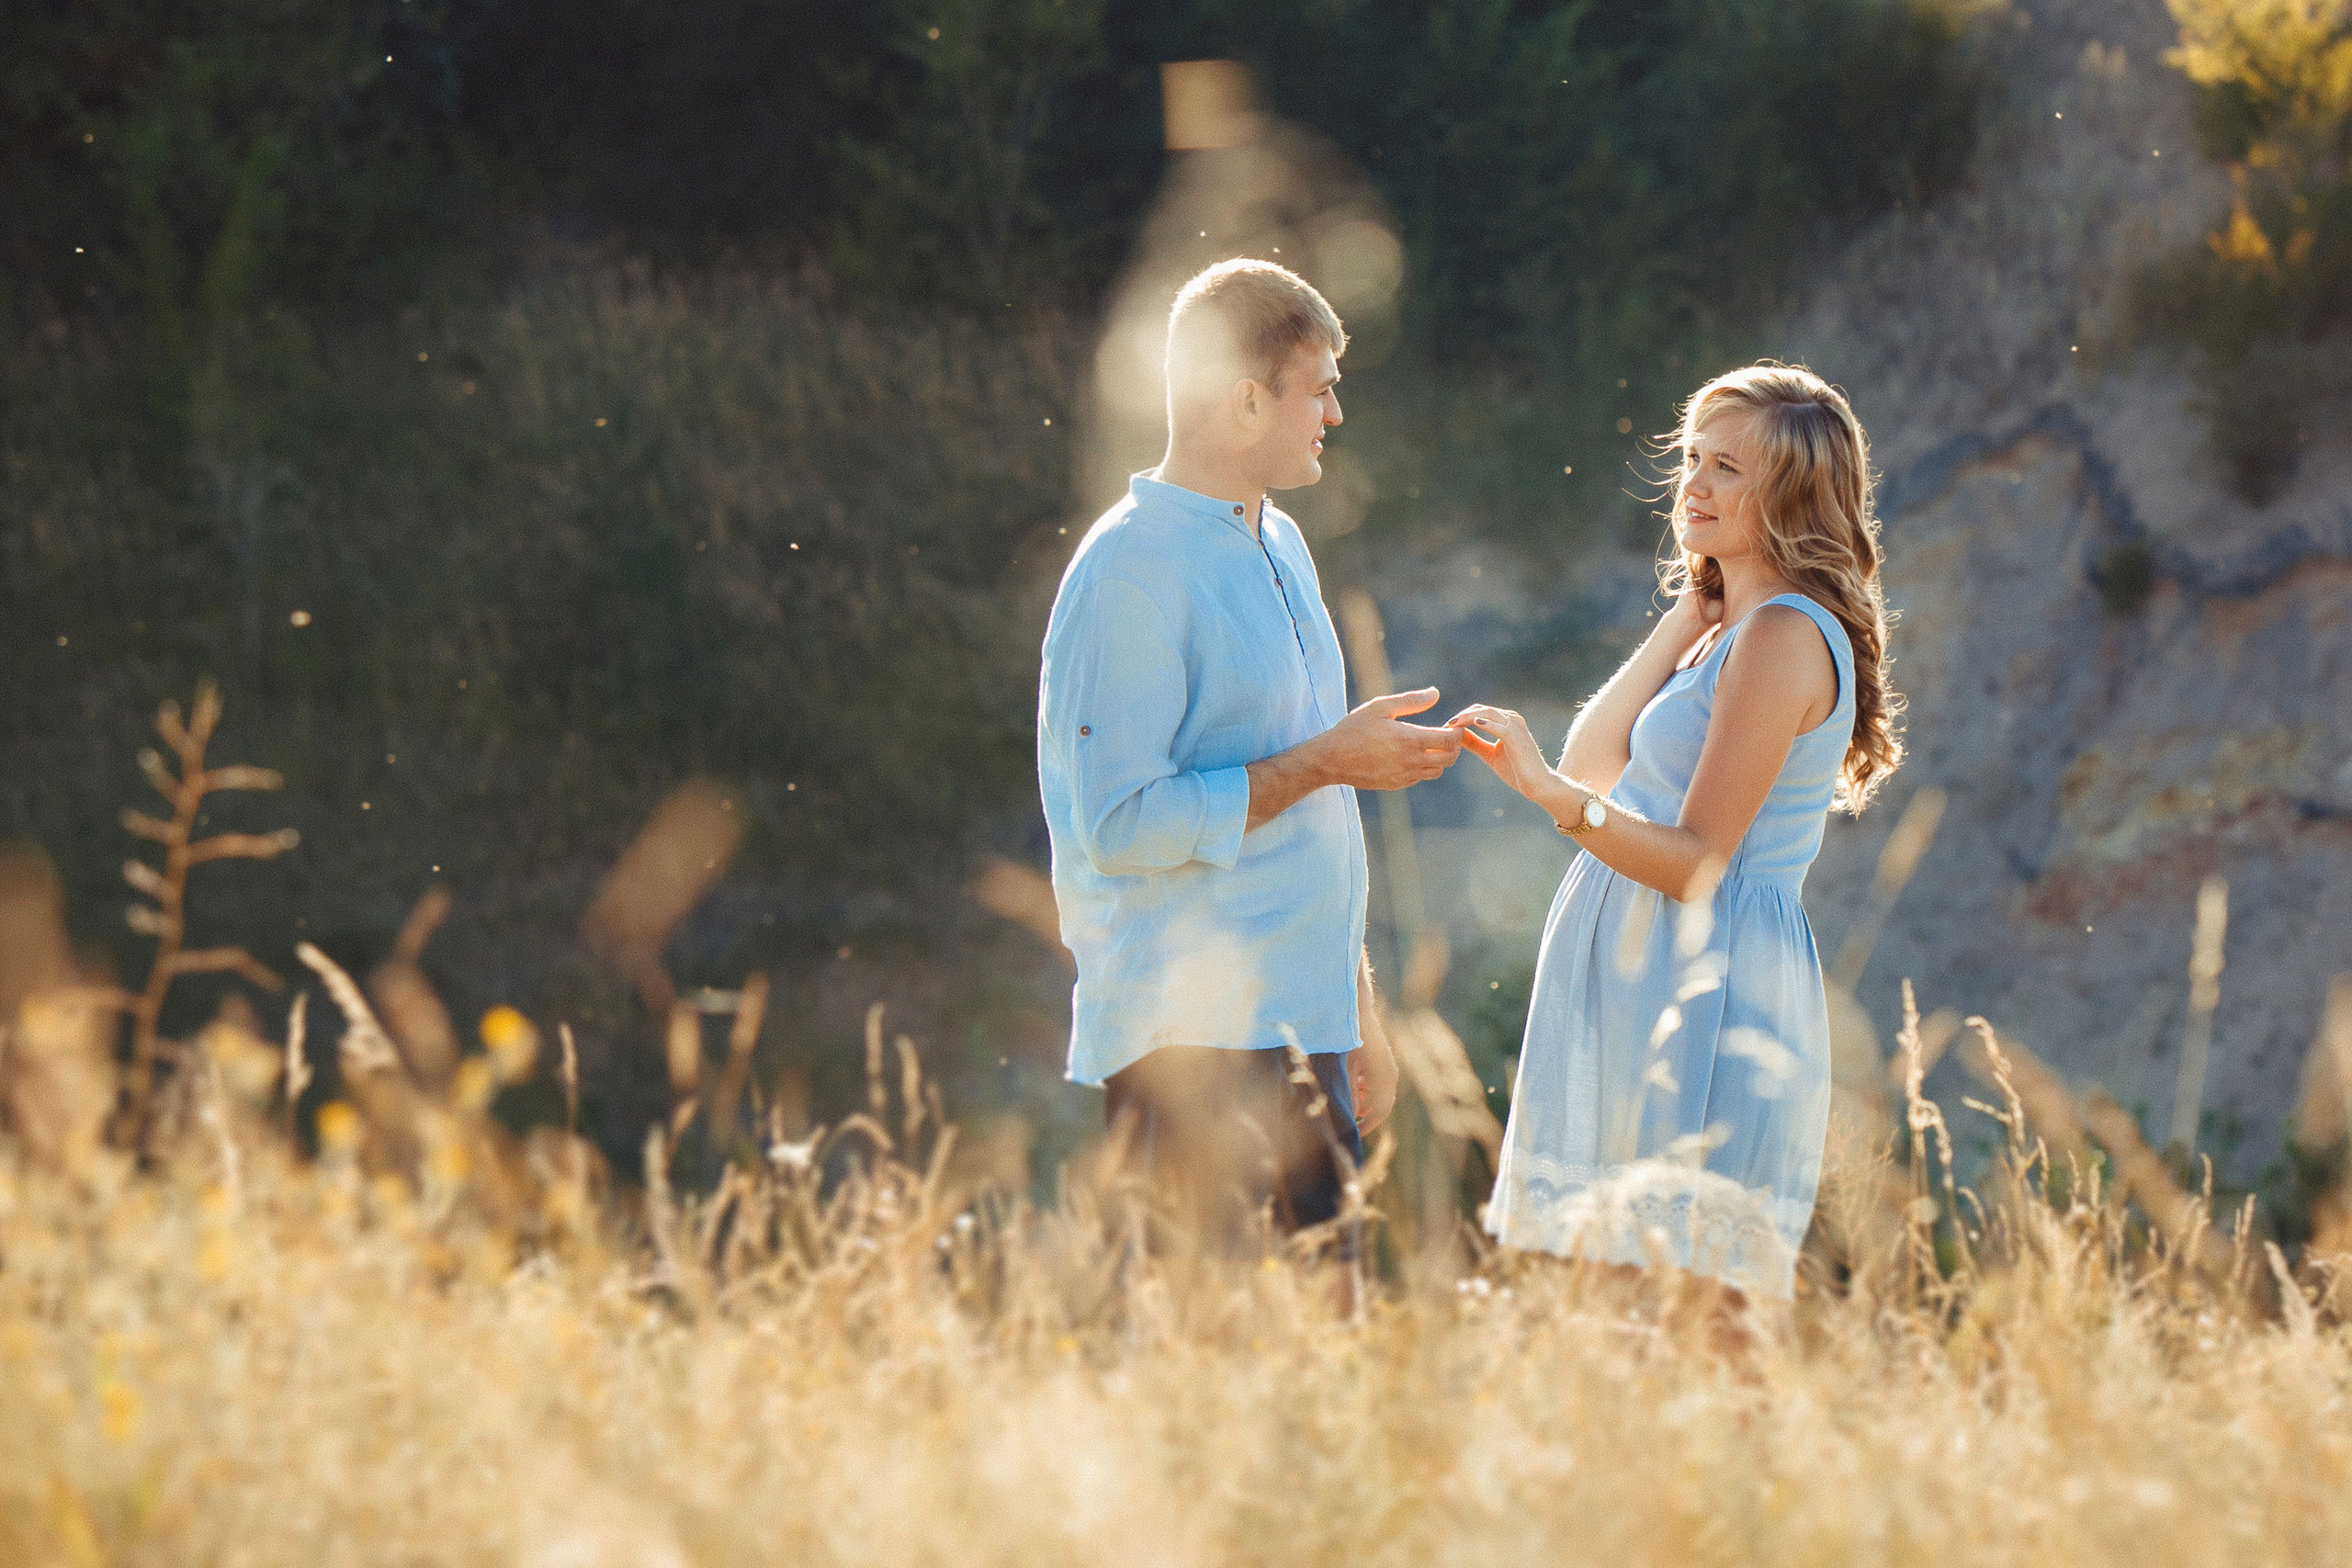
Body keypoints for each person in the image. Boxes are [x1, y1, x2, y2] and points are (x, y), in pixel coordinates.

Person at [1450, 363, 1903, 1302]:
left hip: (1706, 984)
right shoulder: (1724, 628)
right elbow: (1593, 767)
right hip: (1641, 970)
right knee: (1611, 1304)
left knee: (1699, 1315)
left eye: (1726, 469)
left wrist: (1545, 795)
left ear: (1791, 493)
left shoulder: (1782, 636)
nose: (1691, 486)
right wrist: (1680, 621)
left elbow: (1696, 864)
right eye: (1690, 459)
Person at [1037, 258, 1459, 1239]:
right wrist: (1329, 761)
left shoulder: (1281, 545)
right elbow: (1121, 826)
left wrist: (1354, 1017)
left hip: (1305, 1035)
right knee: (1199, 1372)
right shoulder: (1129, 572)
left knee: (1324, 1364)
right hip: (1191, 1048)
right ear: (1244, 401)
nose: (1334, 415)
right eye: (1318, 390)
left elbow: (1309, 807)